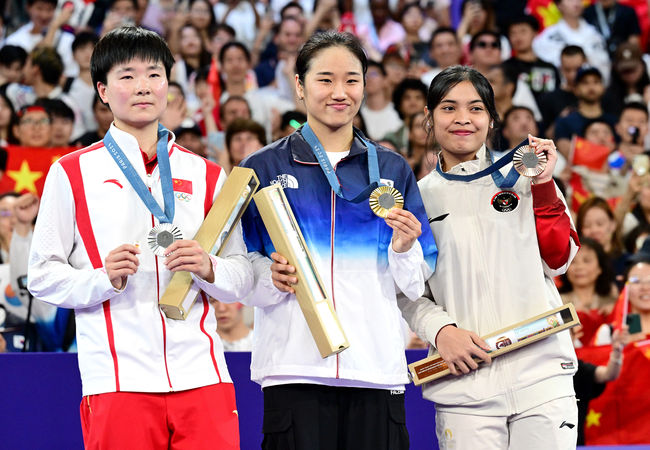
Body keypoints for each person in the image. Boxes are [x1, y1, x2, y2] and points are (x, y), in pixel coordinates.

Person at [27, 27, 253, 449]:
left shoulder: (207, 174)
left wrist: (209, 266)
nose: (143, 86)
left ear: (168, 84)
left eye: (154, 74)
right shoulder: (72, 172)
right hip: (117, 379)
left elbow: (242, 277)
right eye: (127, 76)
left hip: (203, 374)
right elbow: (41, 276)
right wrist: (101, 278)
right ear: (103, 90)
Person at [239, 30, 437, 450]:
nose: (339, 92)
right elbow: (240, 266)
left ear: (365, 85)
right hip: (293, 367)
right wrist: (266, 276)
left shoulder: (392, 168)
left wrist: (403, 249)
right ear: (300, 85)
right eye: (325, 79)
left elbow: (418, 280)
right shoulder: (262, 166)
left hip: (375, 367)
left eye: (352, 80)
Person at [400, 65, 580, 449]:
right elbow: (407, 288)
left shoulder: (527, 177)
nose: (463, 118)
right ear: (428, 118)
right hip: (465, 387)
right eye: (448, 108)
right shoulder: (416, 198)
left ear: (491, 119)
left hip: (542, 377)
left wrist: (545, 184)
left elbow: (559, 259)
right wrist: (441, 331)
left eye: (476, 108)